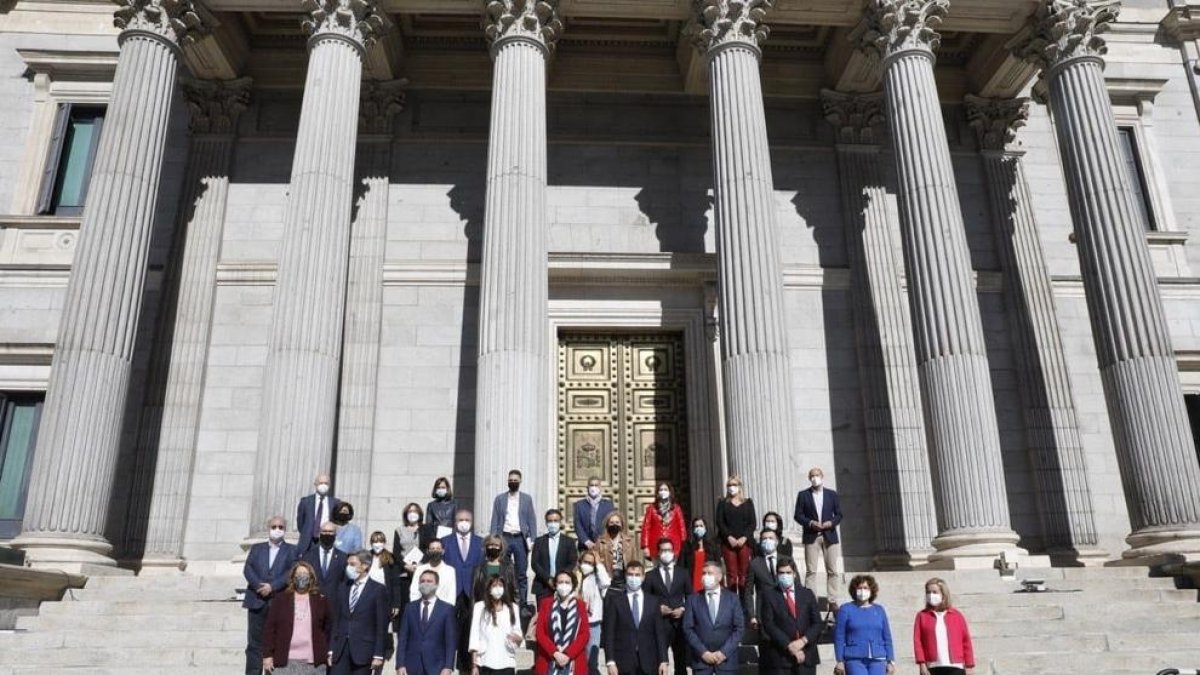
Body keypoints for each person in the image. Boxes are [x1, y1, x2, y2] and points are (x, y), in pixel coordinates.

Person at [244, 516, 298, 675]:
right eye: (274, 526)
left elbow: (292, 571)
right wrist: (259, 586)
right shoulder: (256, 548)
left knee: (276, 640)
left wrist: (273, 586)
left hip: (279, 600)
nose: (277, 530)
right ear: (268, 528)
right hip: (257, 599)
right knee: (254, 643)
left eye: (281, 527)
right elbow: (248, 568)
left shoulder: (292, 550)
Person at [601, 560, 669, 675]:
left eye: (637, 575)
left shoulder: (653, 601)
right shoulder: (615, 601)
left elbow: (659, 633)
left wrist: (663, 660)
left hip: (649, 662)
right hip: (623, 662)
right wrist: (610, 661)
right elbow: (609, 633)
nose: (634, 578)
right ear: (625, 576)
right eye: (630, 575)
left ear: (643, 577)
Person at [262, 561, 332, 674]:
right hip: (284, 661)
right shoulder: (280, 599)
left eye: (305, 574)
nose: (302, 577)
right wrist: (267, 655)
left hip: (313, 663)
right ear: (293, 577)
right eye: (298, 574)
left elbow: (328, 628)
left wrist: (328, 651)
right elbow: (270, 629)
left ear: (311, 578)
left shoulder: (320, 600)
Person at [328, 550, 390, 675]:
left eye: (352, 564)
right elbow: (336, 620)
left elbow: (381, 624)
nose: (348, 568)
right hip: (340, 650)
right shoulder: (343, 587)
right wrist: (331, 649)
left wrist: (378, 654)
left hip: (363, 651)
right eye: (348, 564)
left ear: (365, 566)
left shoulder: (378, 590)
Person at [759, 558, 822, 675]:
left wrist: (803, 641)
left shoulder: (807, 594)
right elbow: (769, 624)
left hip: (806, 654)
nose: (785, 576)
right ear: (777, 575)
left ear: (794, 574)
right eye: (781, 573)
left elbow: (817, 623)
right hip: (781, 657)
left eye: (788, 572)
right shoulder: (769, 595)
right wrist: (789, 645)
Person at [681, 561, 745, 675]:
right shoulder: (693, 600)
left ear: (719, 577)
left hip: (727, 662)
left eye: (710, 573)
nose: (705, 577)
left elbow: (739, 628)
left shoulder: (733, 599)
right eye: (703, 573)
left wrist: (723, 653)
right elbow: (688, 629)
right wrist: (703, 652)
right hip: (701, 663)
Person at [794, 467, 843, 607]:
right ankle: (811, 600)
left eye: (817, 475)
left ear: (822, 476)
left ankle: (832, 600)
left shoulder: (831, 494)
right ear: (809, 478)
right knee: (811, 570)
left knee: (832, 569)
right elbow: (798, 515)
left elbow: (839, 514)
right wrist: (810, 523)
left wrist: (831, 523)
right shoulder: (803, 495)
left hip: (830, 535)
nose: (815, 478)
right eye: (812, 476)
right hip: (812, 535)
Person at [489, 469, 538, 606]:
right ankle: (501, 598)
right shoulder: (500, 499)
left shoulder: (527, 499)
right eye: (511, 480)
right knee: (499, 569)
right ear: (507, 481)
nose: (513, 482)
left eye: (515, 480)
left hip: (520, 539)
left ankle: (522, 603)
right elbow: (495, 519)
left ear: (520, 481)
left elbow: (531, 520)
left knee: (521, 572)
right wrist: (493, 539)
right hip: (504, 537)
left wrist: (533, 539)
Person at [443, 509, 484, 670]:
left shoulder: (480, 542)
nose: (464, 522)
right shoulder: (445, 541)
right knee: (450, 629)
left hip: (471, 592)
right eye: (461, 519)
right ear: (455, 522)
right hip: (452, 592)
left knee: (469, 630)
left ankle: (466, 666)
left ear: (472, 522)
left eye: (467, 519)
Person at [395, 569, 458, 675]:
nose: (425, 584)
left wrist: (448, 666)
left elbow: (450, 641)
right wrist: (400, 664)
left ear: (437, 584)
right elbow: (403, 638)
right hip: (412, 665)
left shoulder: (446, 609)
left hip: (436, 666)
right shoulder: (409, 608)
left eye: (429, 581)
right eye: (422, 581)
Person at [645, 537, 691, 675]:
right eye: (663, 550)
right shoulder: (650, 576)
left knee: (681, 663)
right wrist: (657, 609)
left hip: (680, 625)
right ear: (658, 553)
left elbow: (691, 597)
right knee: (659, 663)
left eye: (669, 550)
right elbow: (645, 599)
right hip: (660, 625)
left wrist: (683, 609)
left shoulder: (683, 573)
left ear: (674, 552)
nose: (666, 553)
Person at [833, 575, 895, 675]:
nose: (862, 591)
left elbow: (887, 637)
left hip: (878, 658)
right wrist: (839, 660)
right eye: (859, 588)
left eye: (865, 588)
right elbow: (839, 636)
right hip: (854, 658)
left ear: (871, 590)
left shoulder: (879, 610)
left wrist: (890, 660)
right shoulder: (846, 609)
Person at [912, 578, 975, 675]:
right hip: (932, 667)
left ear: (943, 594)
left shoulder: (957, 616)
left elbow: (966, 641)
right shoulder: (922, 616)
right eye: (928, 592)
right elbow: (918, 642)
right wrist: (922, 664)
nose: (931, 595)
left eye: (935, 592)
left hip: (955, 667)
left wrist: (969, 666)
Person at [534, 571, 591, 675]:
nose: (563, 585)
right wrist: (555, 653)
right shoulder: (546, 604)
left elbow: (585, 634)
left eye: (567, 582)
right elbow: (540, 632)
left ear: (573, 584)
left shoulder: (581, 606)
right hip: (549, 661)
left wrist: (567, 654)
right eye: (560, 582)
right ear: (555, 585)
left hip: (574, 662)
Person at [468, 576, 524, 675]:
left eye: (500, 585)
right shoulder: (480, 607)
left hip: (507, 661)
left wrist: (517, 638)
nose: (498, 588)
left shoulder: (513, 608)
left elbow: (518, 633)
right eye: (494, 585)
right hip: (486, 661)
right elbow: (474, 636)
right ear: (489, 589)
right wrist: (474, 665)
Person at [715, 475, 755, 597]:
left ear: (739, 487)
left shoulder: (748, 503)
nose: (731, 488)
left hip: (744, 543)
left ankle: (744, 603)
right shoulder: (722, 503)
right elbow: (720, 522)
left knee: (743, 574)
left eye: (734, 485)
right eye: (729, 485)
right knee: (732, 574)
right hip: (728, 543)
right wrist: (729, 537)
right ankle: (732, 600)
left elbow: (752, 523)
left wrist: (744, 537)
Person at [367, 529, 405, 651]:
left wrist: (396, 604)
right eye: (375, 541)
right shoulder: (366, 556)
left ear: (384, 543)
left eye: (380, 541)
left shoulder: (390, 558)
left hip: (384, 599)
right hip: (367, 597)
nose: (377, 544)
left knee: (381, 628)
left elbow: (395, 583)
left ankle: (379, 653)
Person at [532, 509, 579, 601]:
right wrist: (548, 579)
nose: (553, 524)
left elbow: (572, 562)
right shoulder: (539, 541)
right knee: (544, 614)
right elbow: (535, 563)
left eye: (556, 521)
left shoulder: (569, 541)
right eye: (550, 521)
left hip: (563, 586)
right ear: (546, 523)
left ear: (560, 522)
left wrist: (560, 578)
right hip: (543, 586)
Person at [578, 550, 611, 675]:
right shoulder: (574, 577)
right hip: (577, 623)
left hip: (593, 624)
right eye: (585, 562)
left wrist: (598, 563)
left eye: (590, 563)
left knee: (591, 661)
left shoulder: (597, 579)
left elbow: (606, 582)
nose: (587, 565)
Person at [743, 528, 783, 630]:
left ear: (777, 542)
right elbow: (748, 591)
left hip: (785, 613)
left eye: (770, 538)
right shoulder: (754, 564)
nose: (767, 541)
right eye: (764, 539)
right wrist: (752, 615)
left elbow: (797, 586)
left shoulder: (786, 560)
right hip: (764, 615)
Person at [394, 503, 426, 618]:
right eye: (410, 511)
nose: (413, 514)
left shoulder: (425, 529)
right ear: (406, 514)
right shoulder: (399, 530)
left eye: (415, 511)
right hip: (404, 573)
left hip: (421, 571)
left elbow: (428, 549)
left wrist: (419, 566)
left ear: (420, 514)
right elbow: (396, 552)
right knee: (405, 605)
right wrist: (405, 566)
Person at [297, 473, 340, 556]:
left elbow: (337, 523)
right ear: (315, 484)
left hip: (326, 541)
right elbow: (300, 523)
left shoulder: (335, 503)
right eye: (321, 483)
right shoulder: (305, 502)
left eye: (326, 483)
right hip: (308, 543)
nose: (323, 485)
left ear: (330, 485)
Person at [640, 481, 686, 559]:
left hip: (673, 545)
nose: (663, 492)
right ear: (657, 493)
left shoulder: (676, 508)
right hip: (655, 545)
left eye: (665, 489)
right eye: (661, 490)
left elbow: (682, 527)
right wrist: (645, 546)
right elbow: (646, 527)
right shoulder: (652, 508)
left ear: (670, 492)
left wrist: (683, 543)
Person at [595, 511, 639, 592]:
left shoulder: (629, 541)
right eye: (611, 522)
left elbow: (634, 560)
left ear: (621, 524)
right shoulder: (600, 542)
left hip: (624, 579)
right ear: (607, 524)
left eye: (617, 522)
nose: (614, 524)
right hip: (608, 579)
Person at [303, 520, 348, 599]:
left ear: (335, 534)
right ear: (319, 534)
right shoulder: (308, 556)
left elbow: (344, 582)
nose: (327, 534)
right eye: (324, 531)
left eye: (330, 532)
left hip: (334, 603)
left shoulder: (343, 557)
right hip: (313, 600)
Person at [573, 476, 616, 552]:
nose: (593, 487)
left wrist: (603, 541)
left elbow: (611, 524)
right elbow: (577, 524)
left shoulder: (608, 505)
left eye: (596, 485)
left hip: (604, 545)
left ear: (600, 488)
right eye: (591, 485)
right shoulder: (579, 505)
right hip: (584, 546)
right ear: (587, 487)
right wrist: (586, 541)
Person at [410, 539, 458, 606]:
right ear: (428, 551)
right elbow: (414, 592)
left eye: (438, 548)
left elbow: (451, 594)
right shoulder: (420, 569)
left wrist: (448, 610)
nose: (435, 551)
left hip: (443, 609)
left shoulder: (450, 571)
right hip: (423, 607)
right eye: (432, 548)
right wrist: (415, 607)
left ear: (443, 551)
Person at [472, 534, 518, 602]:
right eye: (491, 545)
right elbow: (474, 594)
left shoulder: (509, 568)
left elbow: (515, 590)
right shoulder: (479, 569)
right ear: (486, 547)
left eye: (496, 546)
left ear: (501, 548)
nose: (493, 548)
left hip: (504, 606)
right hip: (484, 605)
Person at [680, 517, 720, 593]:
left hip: (709, 582)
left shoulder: (713, 545)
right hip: (692, 583)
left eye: (701, 526)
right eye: (696, 526)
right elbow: (681, 565)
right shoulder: (687, 545)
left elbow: (718, 564)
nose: (699, 528)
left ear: (705, 527)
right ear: (693, 529)